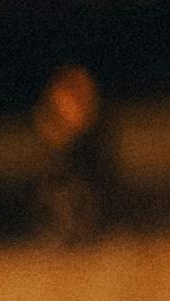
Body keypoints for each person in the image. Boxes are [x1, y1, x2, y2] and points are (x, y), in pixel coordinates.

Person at [33, 63, 119, 244]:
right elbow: (47, 128)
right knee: (60, 196)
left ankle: (88, 232)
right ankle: (63, 233)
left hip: (82, 153)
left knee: (87, 194)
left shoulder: (84, 94)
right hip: (62, 156)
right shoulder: (57, 98)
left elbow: (89, 119)